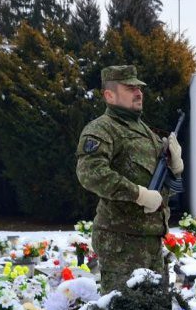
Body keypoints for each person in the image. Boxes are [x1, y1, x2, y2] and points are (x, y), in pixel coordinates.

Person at [75, 65, 183, 293]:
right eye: (129, 88)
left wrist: (175, 168)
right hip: (121, 245)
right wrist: (139, 194)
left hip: (151, 243)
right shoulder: (102, 129)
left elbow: (162, 192)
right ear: (109, 95)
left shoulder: (147, 133)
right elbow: (90, 173)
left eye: (139, 88)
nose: (138, 93)